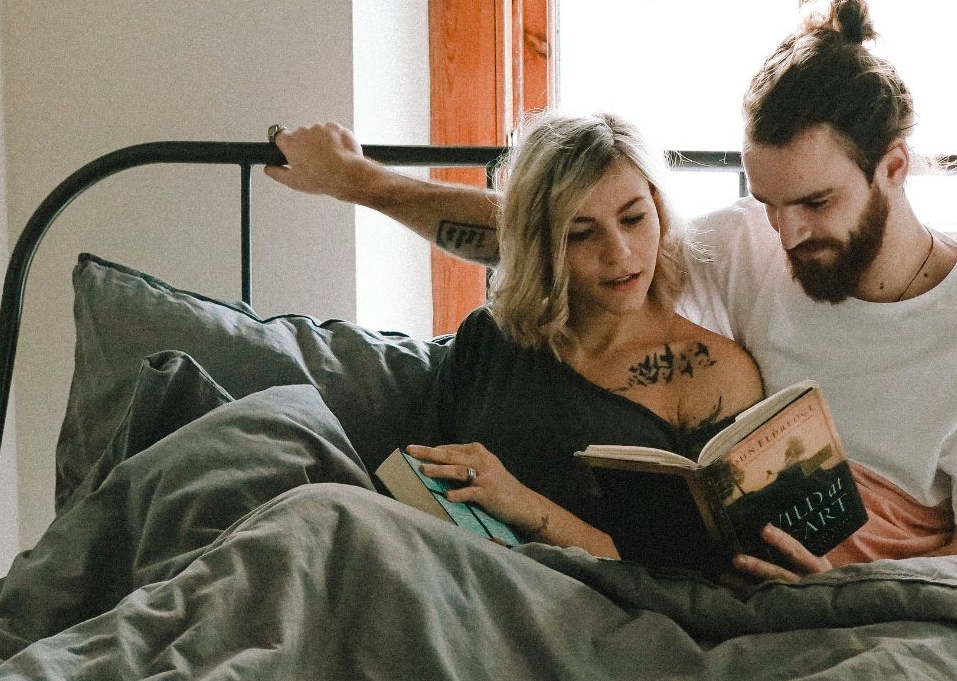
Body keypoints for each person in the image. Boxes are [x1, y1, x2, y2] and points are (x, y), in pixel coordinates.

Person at [269, 0, 957, 582]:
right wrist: (358, 181)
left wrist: (840, 591)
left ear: (892, 167)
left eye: (816, 203)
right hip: (745, 594)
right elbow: (547, 229)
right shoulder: (750, 247)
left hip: (891, 606)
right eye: (769, 202)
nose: (788, 233)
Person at [307, 110, 782, 568]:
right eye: (581, 233)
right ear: (540, 242)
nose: (618, 253)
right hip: (454, 574)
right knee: (312, 508)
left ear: (658, 210)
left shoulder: (713, 375)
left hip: (597, 607)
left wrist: (520, 503)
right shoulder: (491, 337)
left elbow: (702, 578)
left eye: (633, 219)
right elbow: (414, 491)